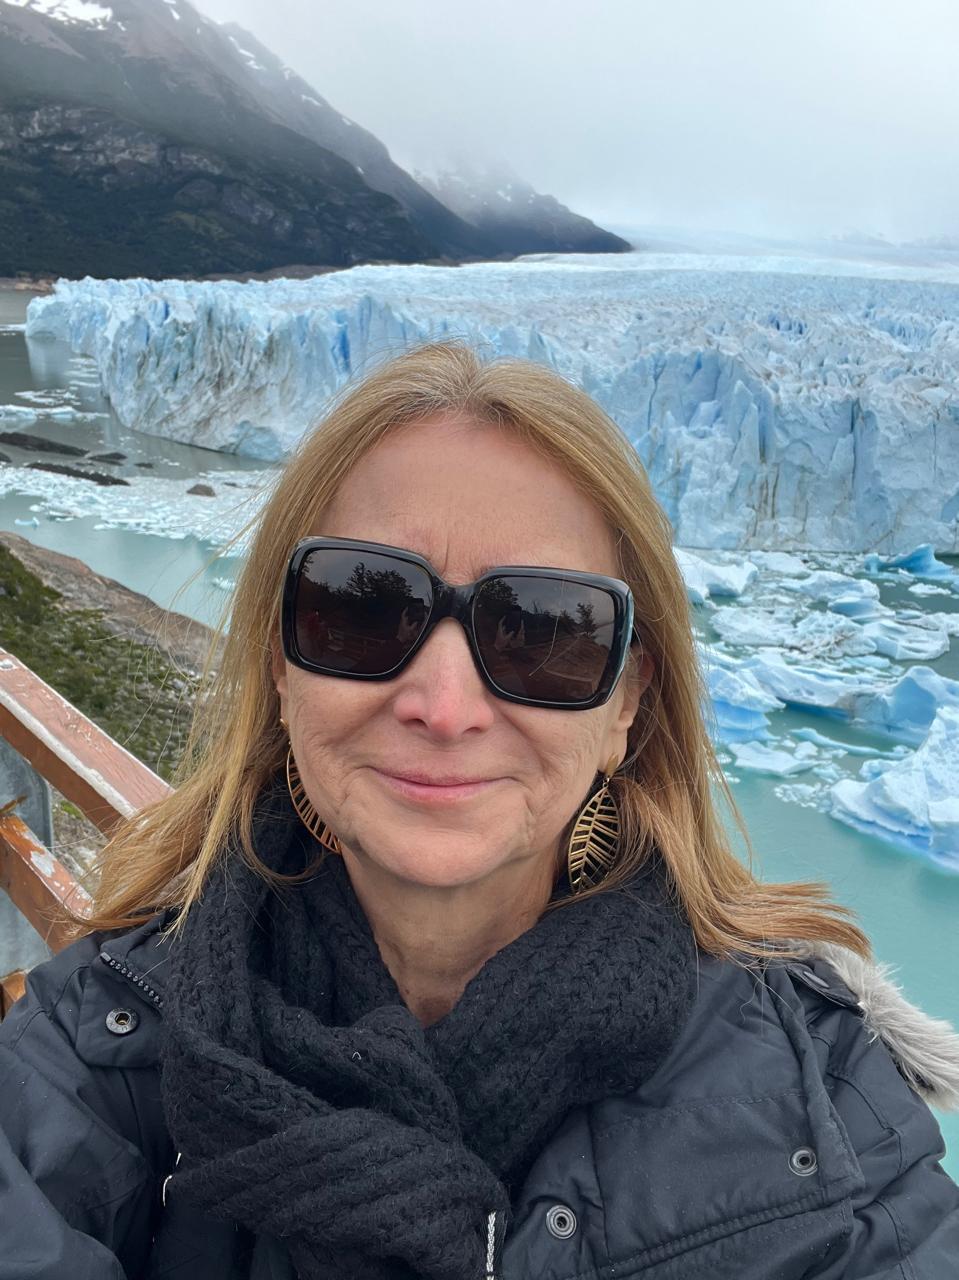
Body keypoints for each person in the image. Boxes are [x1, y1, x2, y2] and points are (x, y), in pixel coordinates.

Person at [1, 341, 958, 1280]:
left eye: (542, 630)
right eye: (362, 608)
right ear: (279, 666)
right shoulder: (102, 1046)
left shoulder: (821, 1099)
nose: (444, 706)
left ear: (627, 702)